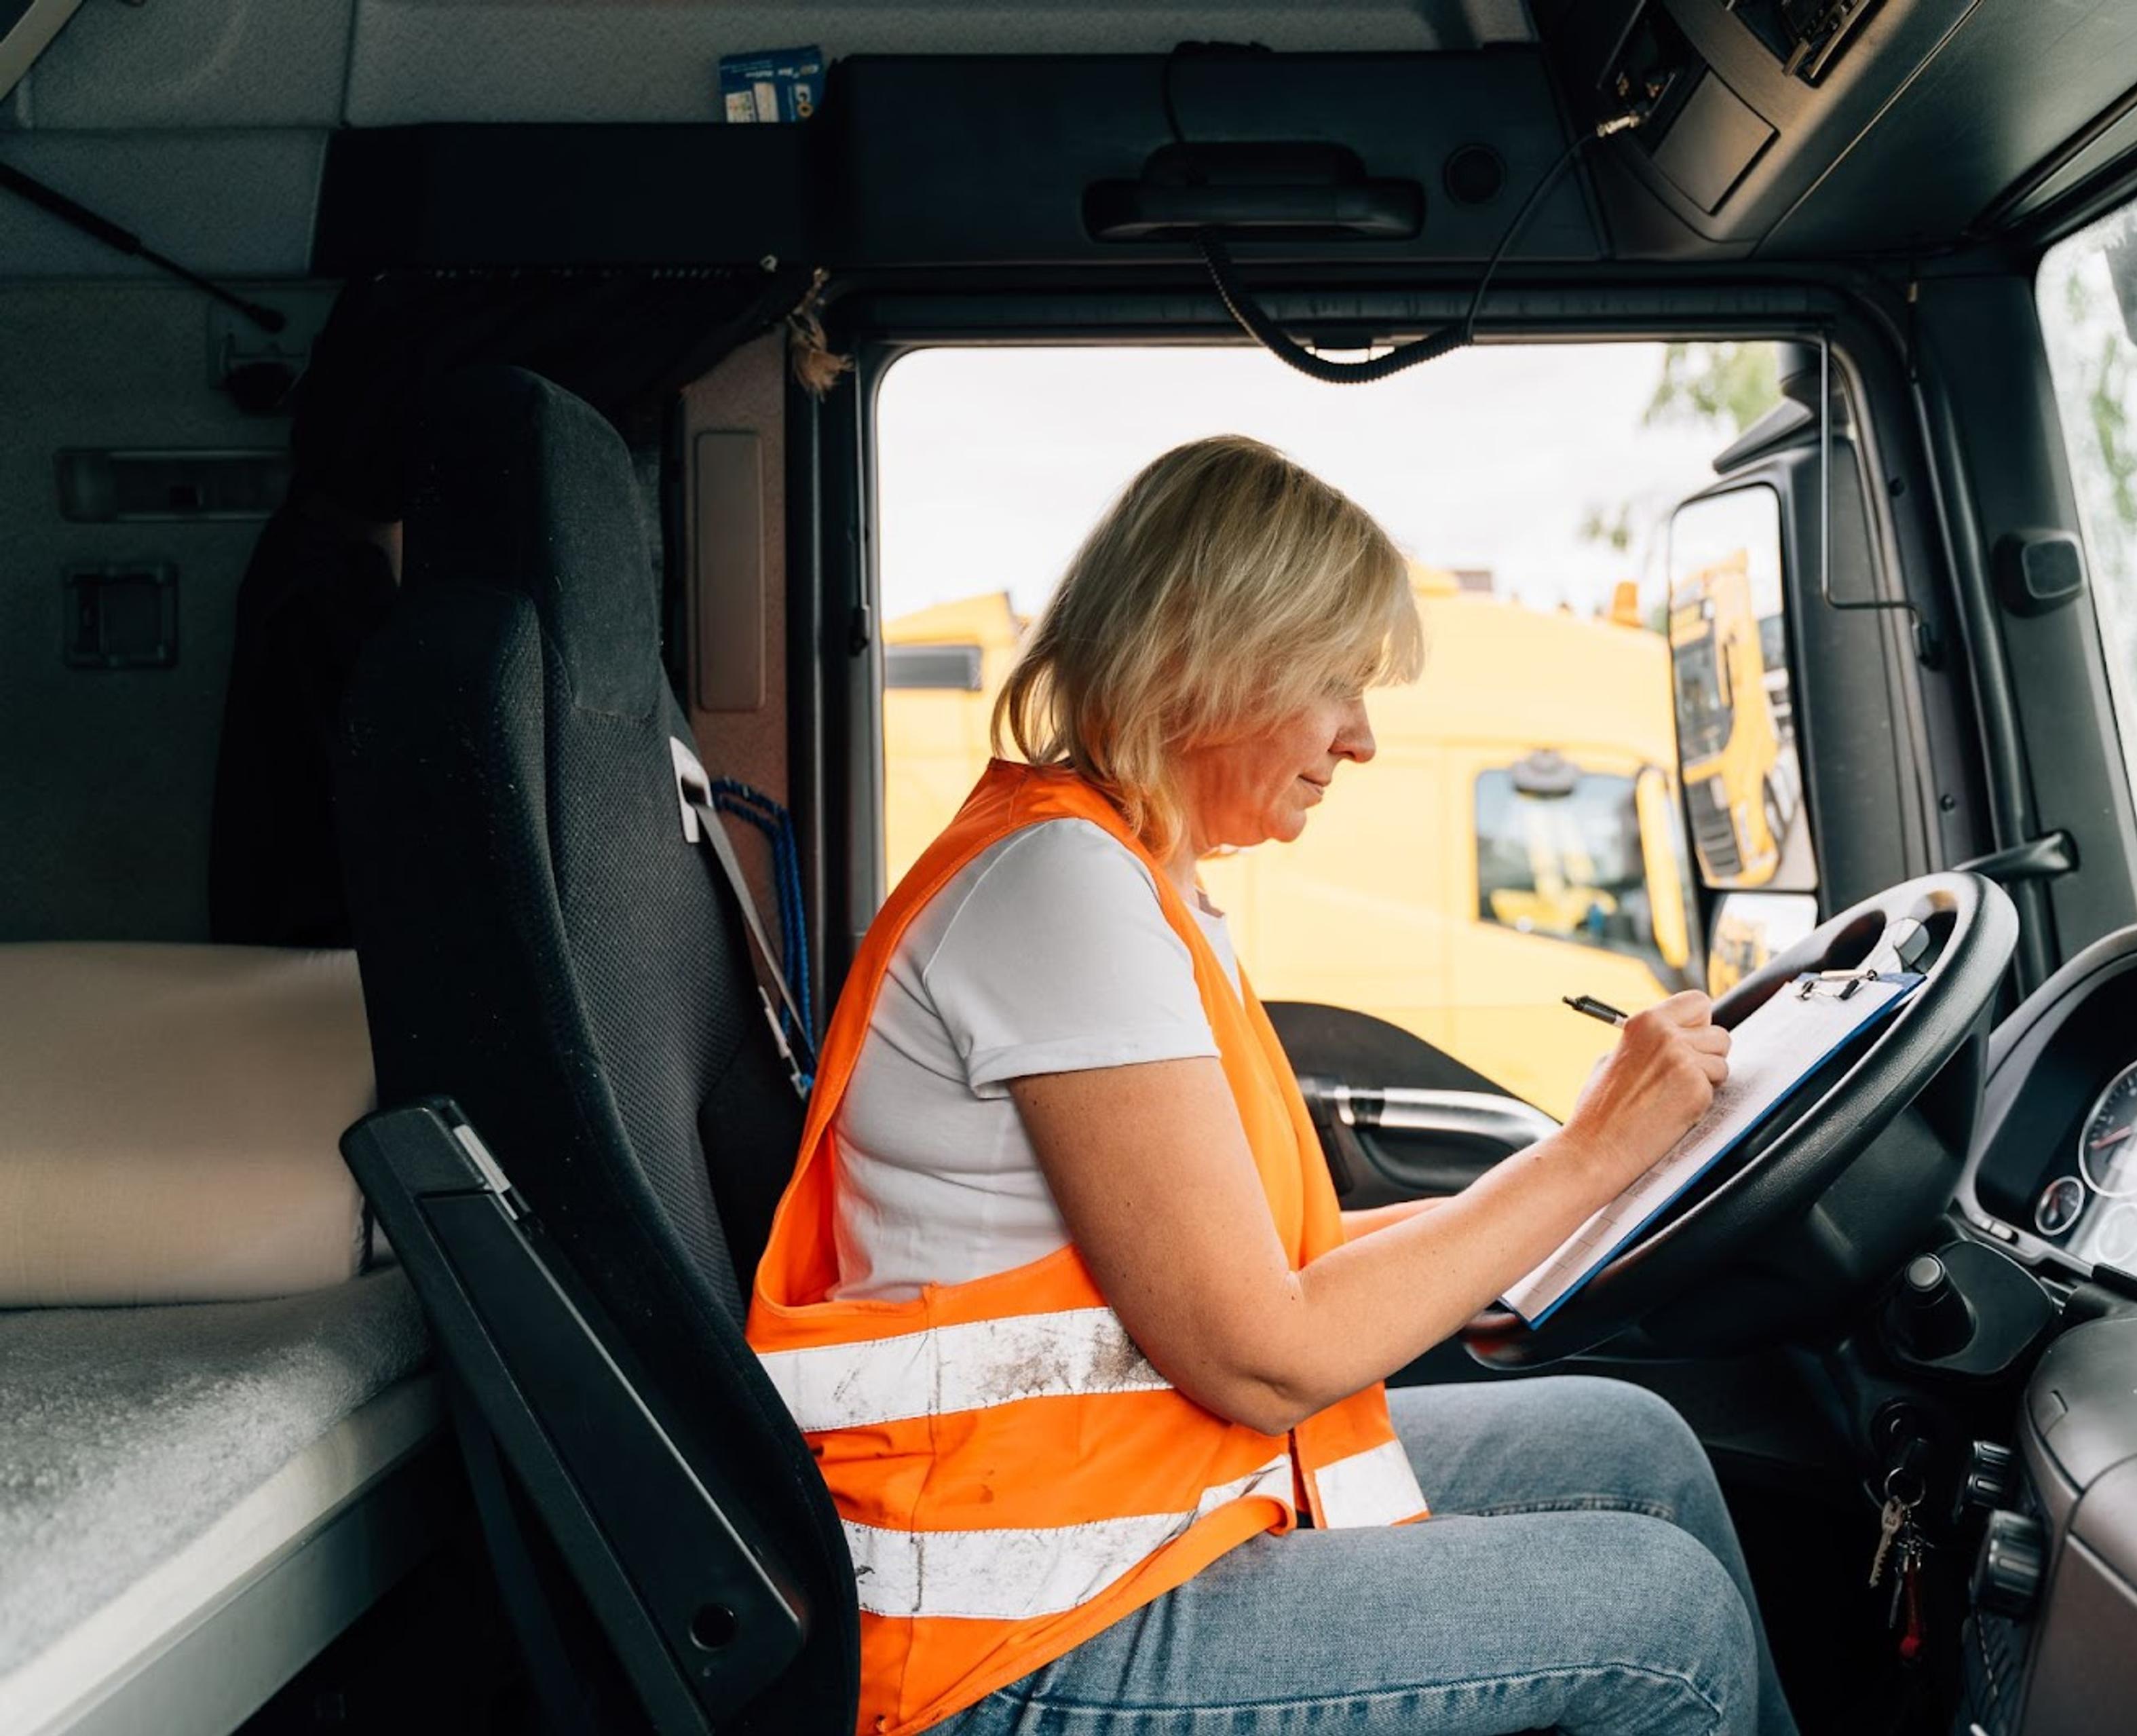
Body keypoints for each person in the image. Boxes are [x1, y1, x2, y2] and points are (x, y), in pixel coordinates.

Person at [746, 436, 1798, 1736]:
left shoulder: (1134, 876)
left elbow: (1263, 1265)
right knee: (1661, 1621)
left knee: (1635, 1446)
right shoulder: (1060, 890)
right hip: (1017, 1630)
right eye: (1336, 684)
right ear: (1208, 659)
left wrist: (1594, 1181)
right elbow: (1261, 1352)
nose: (1360, 738)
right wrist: (1583, 1155)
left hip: (1126, 1515)